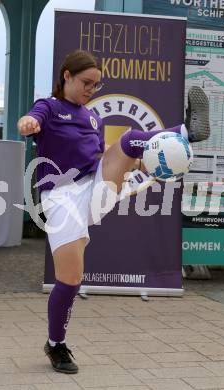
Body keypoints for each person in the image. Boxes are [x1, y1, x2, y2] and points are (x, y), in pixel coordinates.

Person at [17, 49, 210, 374]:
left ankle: (186, 131)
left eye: (96, 85)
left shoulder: (94, 118)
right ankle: (55, 344)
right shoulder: (48, 107)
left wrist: (146, 163)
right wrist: (29, 123)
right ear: (66, 76)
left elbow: (104, 155)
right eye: (86, 83)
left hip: (94, 185)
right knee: (70, 279)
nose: (91, 89)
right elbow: (31, 119)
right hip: (61, 197)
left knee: (132, 140)